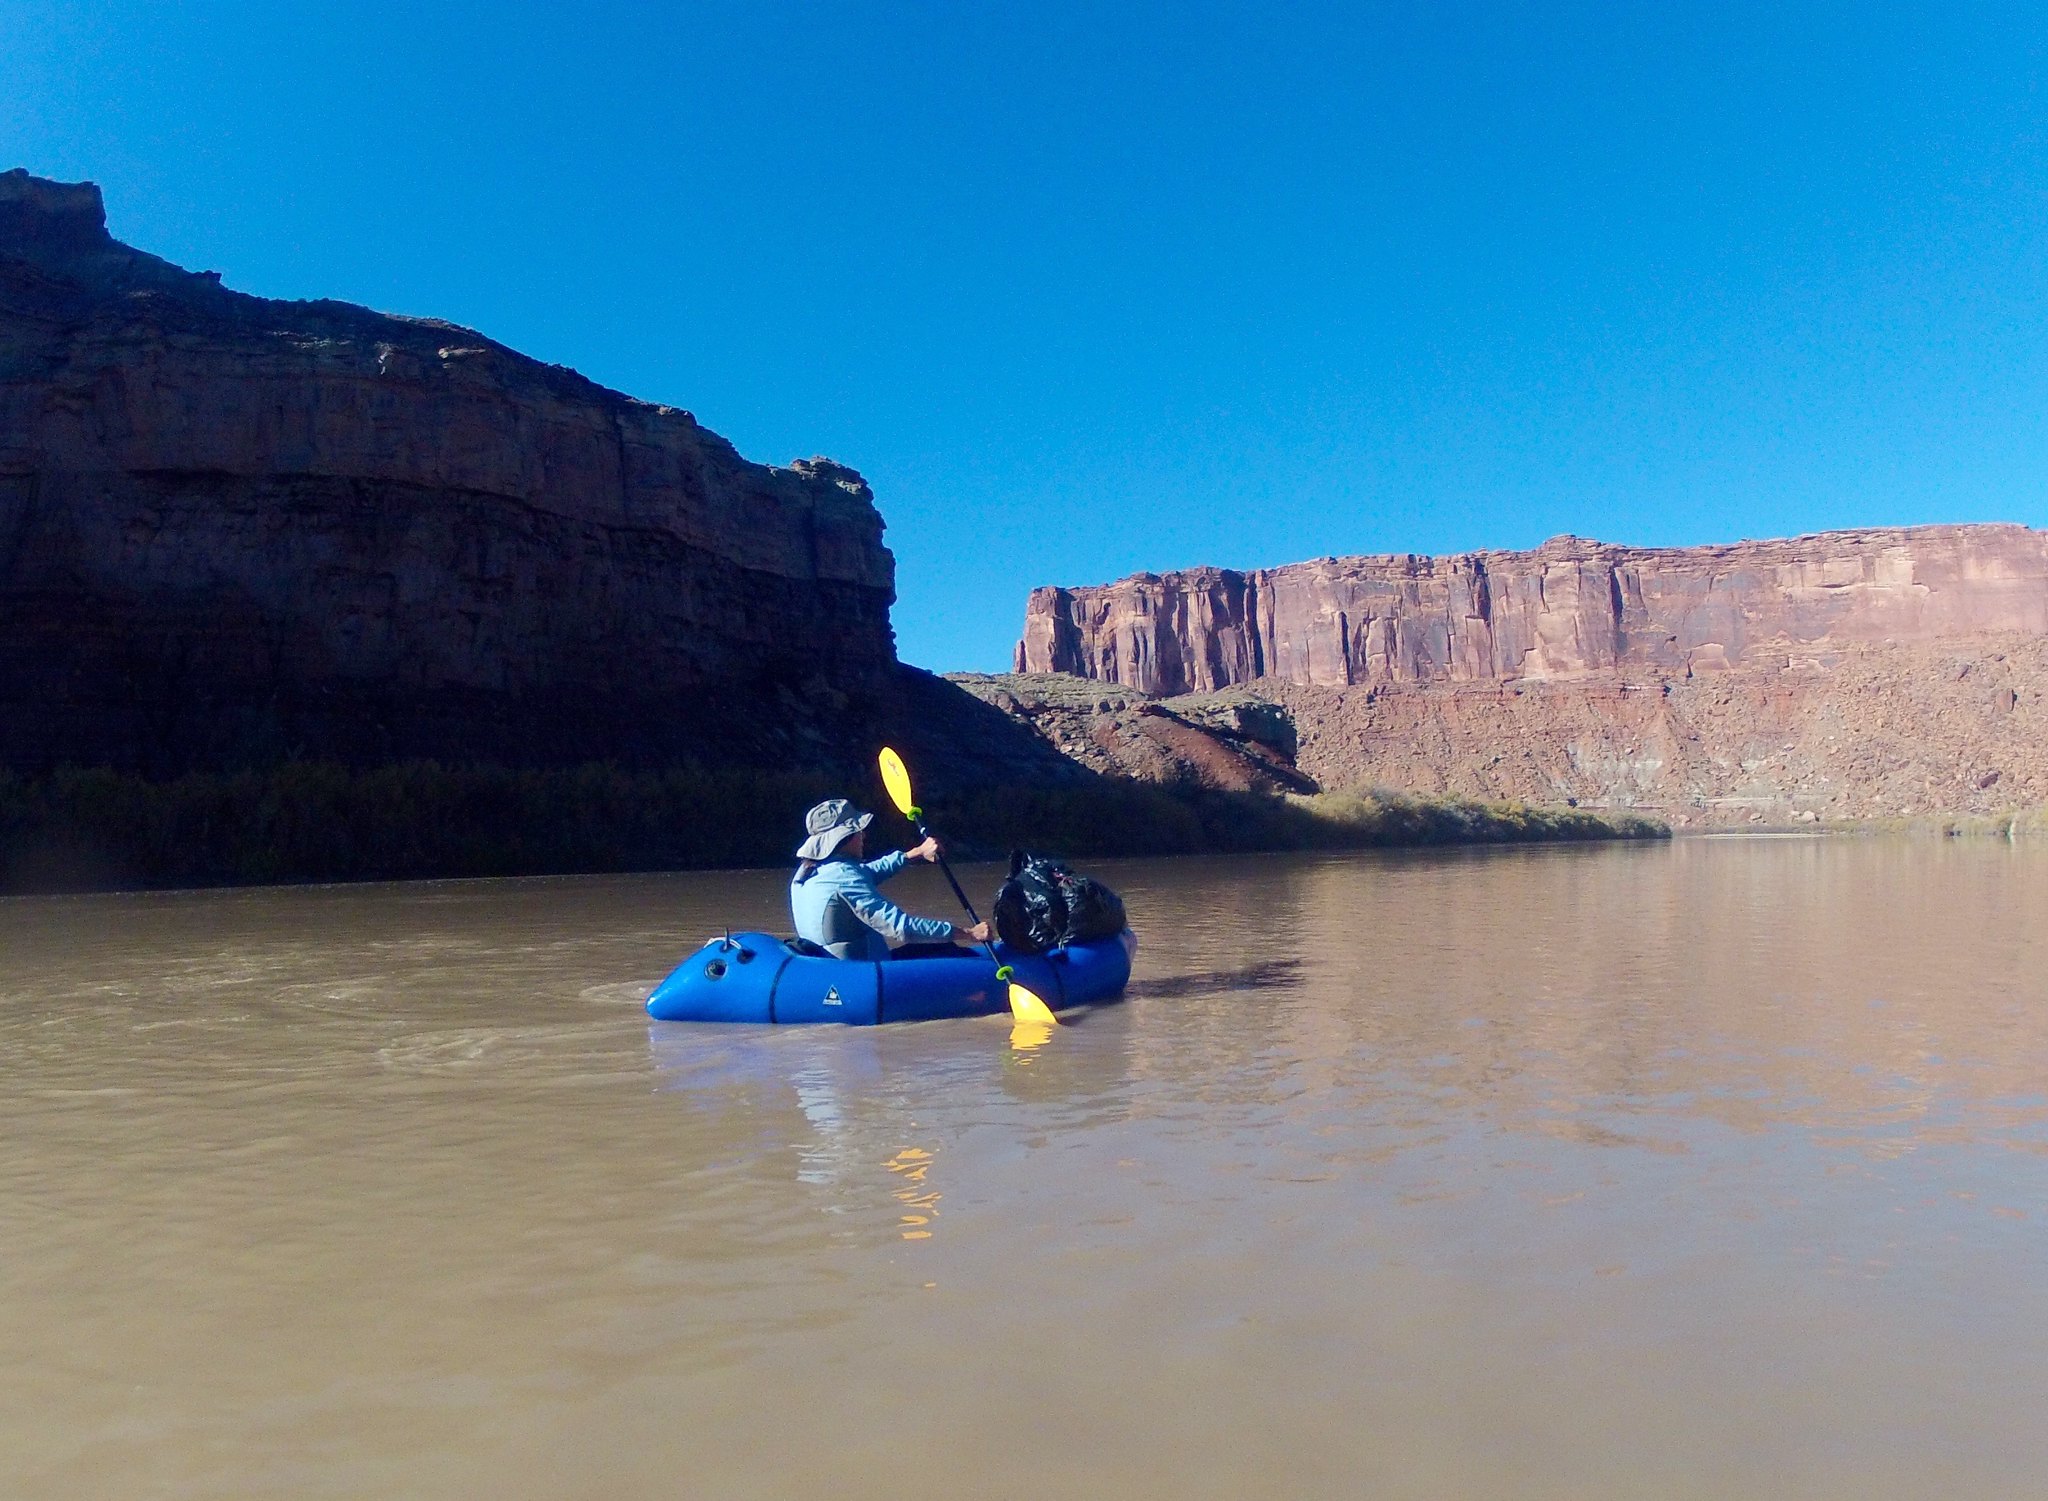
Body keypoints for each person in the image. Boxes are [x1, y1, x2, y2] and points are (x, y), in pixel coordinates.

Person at [789, 798, 992, 960]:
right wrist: (969, 933)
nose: (863, 837)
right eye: (858, 832)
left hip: (832, 971)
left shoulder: (807, 873)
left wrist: (915, 853)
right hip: (865, 975)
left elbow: (867, 872)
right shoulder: (846, 878)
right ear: (844, 838)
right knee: (949, 950)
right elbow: (900, 928)